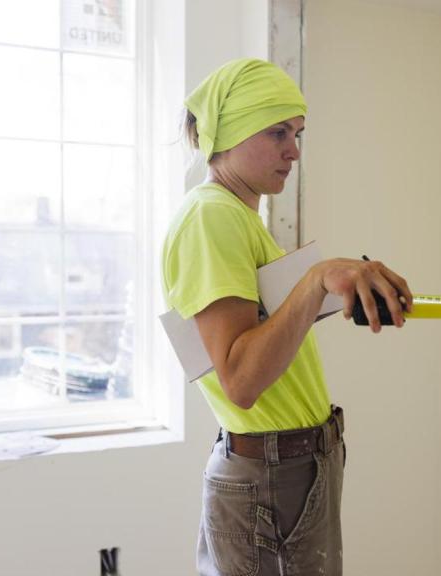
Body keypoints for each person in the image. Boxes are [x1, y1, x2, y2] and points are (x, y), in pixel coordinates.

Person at [161, 58, 413, 576]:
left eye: (297, 134)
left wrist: (316, 295)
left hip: (289, 469)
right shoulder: (211, 216)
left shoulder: (237, 217)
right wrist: (316, 279)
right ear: (231, 131)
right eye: (277, 132)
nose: (293, 150)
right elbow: (241, 379)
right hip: (272, 476)